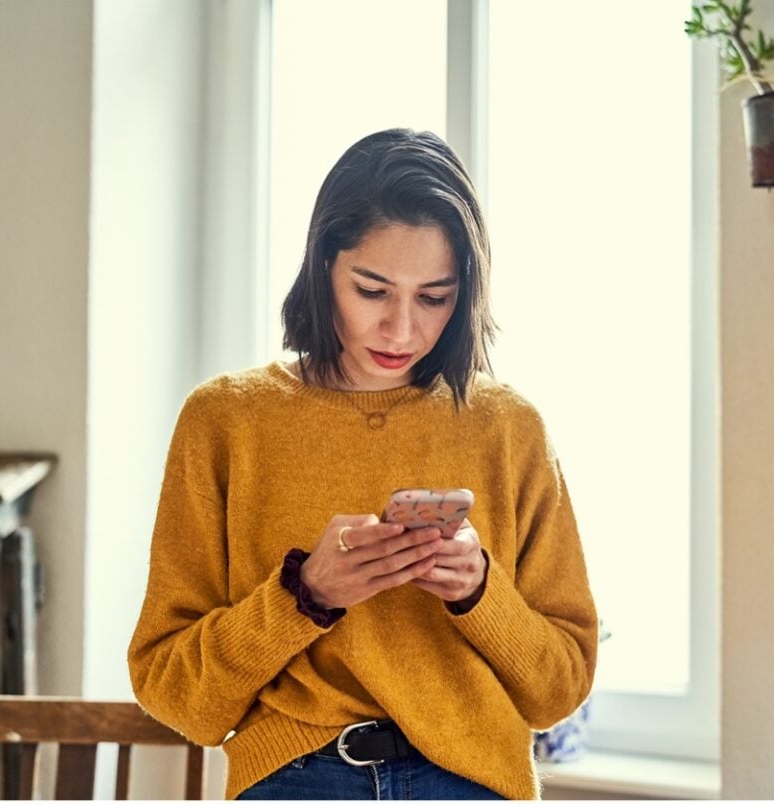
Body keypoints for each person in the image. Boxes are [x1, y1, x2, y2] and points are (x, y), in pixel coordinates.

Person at [128, 128, 597, 800]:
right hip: (295, 776)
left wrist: (478, 592)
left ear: (464, 293)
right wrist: (304, 596)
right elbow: (177, 695)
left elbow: (558, 691)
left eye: (434, 297)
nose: (402, 330)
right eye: (373, 290)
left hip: (471, 781)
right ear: (323, 267)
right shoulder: (226, 420)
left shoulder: (508, 429)